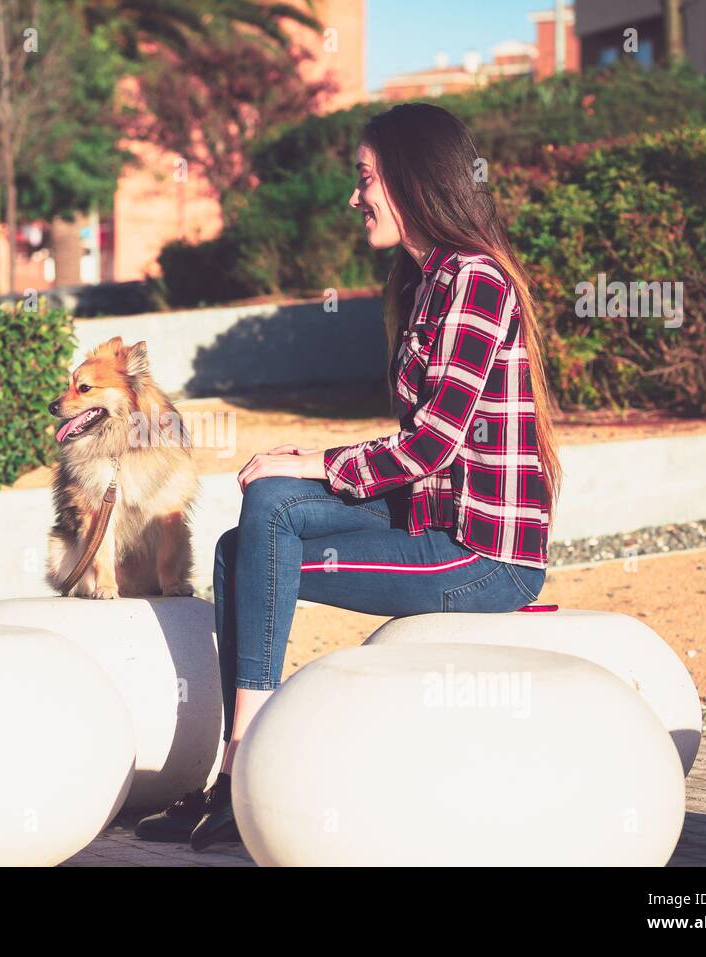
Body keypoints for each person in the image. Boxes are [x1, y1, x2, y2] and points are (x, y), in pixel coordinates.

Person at [135, 102, 563, 851]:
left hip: (483, 555)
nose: (354, 196)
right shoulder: (426, 281)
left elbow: (431, 444)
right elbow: (419, 451)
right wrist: (304, 466)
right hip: (429, 520)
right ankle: (237, 775)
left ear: (411, 178)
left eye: (365, 178)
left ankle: (242, 775)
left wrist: (315, 462)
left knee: (269, 516)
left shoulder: (476, 281)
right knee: (250, 531)